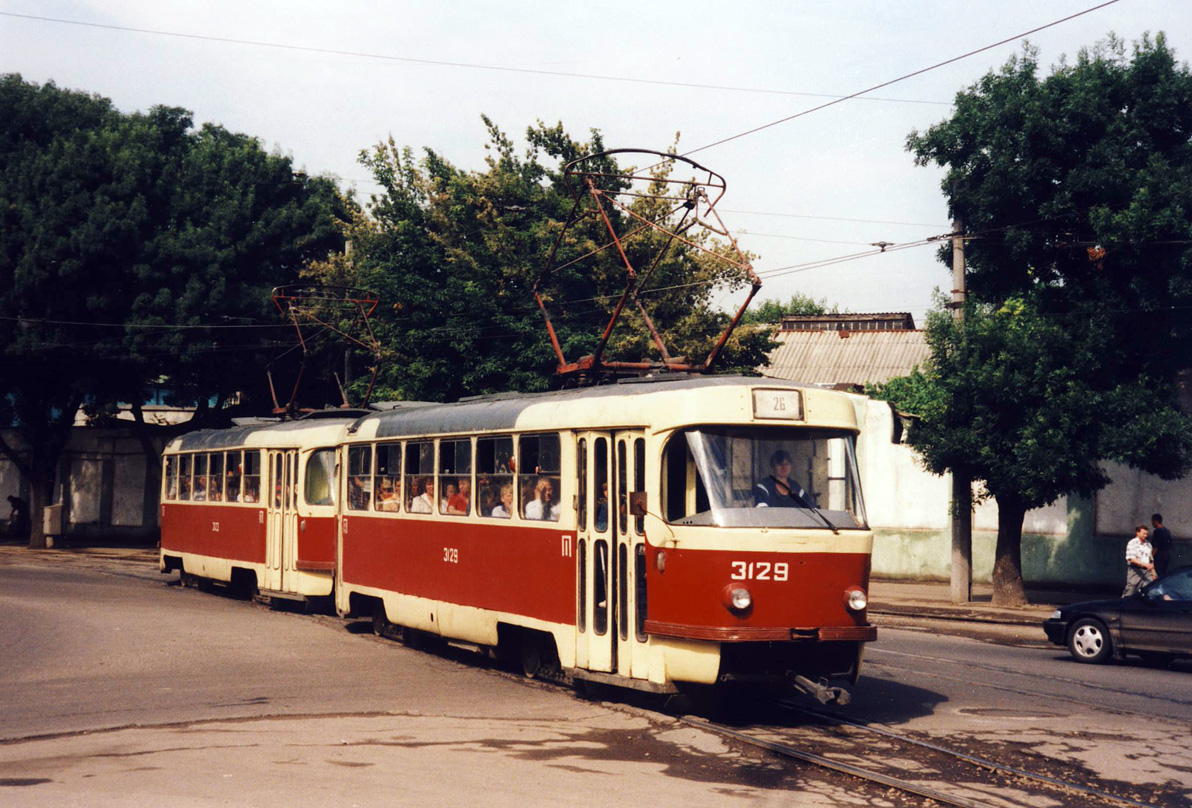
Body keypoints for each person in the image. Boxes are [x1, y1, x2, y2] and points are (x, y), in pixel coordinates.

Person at [1123, 523, 1157, 597]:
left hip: (1147, 572)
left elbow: (1150, 559)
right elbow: (1131, 559)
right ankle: (1123, 605)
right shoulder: (1132, 543)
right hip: (1135, 571)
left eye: (1147, 534)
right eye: (1143, 533)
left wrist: (1153, 571)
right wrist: (1145, 564)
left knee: (1150, 589)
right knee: (1131, 590)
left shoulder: (1148, 544)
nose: (1145, 535)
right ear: (1137, 533)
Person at [1151, 513, 1173, 578]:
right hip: (1166, 555)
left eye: (1152, 521)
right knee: (1163, 574)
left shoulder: (1157, 531)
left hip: (1159, 556)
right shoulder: (1167, 531)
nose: (1152, 523)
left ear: (1155, 521)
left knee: (1157, 574)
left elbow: (1156, 546)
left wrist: (1151, 557)